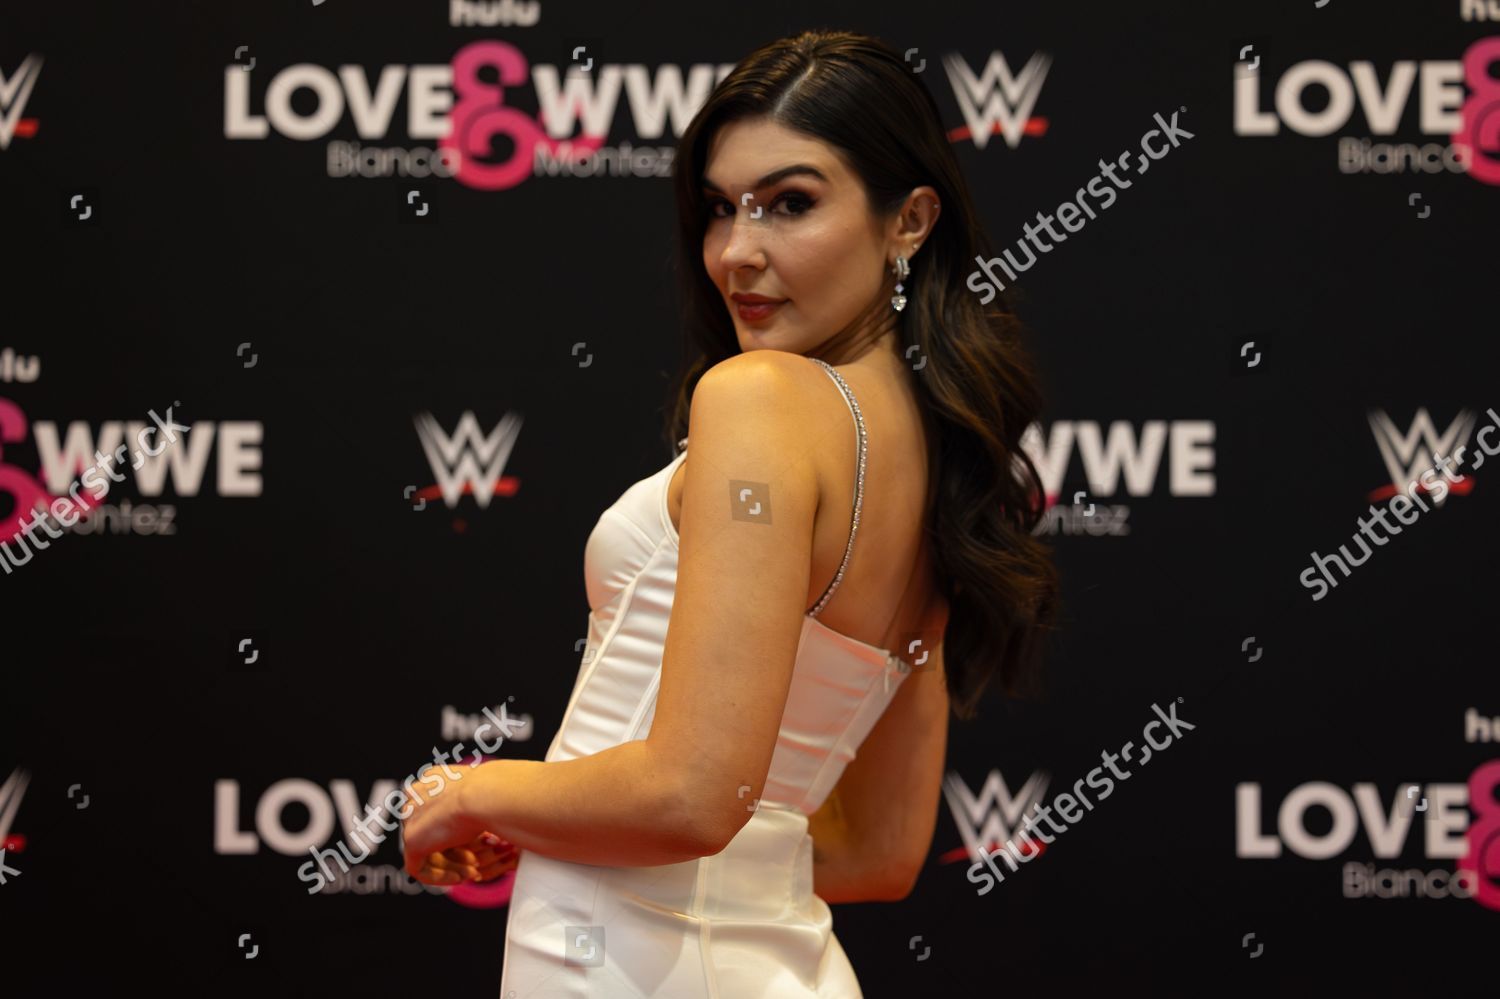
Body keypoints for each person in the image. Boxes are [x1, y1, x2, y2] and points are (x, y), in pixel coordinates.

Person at [400, 28, 1059, 997]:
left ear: (910, 220)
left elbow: (691, 795)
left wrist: (473, 791)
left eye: (791, 204)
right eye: (720, 208)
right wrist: (571, 818)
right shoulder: (941, 461)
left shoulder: (761, 398)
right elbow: (876, 851)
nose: (737, 253)